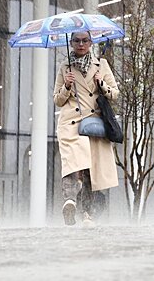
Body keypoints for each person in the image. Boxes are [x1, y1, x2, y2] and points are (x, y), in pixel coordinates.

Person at [53, 31, 119, 226]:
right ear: (71, 43)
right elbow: (57, 100)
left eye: (84, 40)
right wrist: (66, 86)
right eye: (76, 41)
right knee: (72, 165)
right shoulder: (65, 68)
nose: (80, 44)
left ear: (91, 43)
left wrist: (102, 83)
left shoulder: (102, 65)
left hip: (93, 124)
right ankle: (70, 201)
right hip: (70, 125)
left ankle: (87, 214)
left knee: (90, 171)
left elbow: (115, 94)